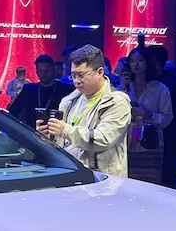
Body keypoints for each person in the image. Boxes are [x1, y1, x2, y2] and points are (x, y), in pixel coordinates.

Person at [37, 45, 132, 176]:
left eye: (81, 75)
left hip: (104, 179)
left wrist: (65, 130)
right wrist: (48, 135)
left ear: (99, 72)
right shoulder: (68, 101)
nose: (76, 81)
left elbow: (103, 139)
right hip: (70, 174)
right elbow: (62, 143)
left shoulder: (117, 101)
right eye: (73, 75)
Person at [120, 46, 173, 185]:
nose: (136, 64)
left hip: (149, 141)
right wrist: (123, 87)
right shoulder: (124, 87)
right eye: (132, 61)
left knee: (148, 182)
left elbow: (167, 118)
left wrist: (148, 115)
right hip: (126, 141)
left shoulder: (160, 89)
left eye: (140, 60)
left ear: (148, 62)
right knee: (126, 181)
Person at [147, 44, 176, 189]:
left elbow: (172, 115)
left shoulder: (166, 84)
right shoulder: (169, 80)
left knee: (165, 179)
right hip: (165, 136)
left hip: (167, 136)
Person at [8, 54, 75, 125]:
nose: (44, 74)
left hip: (58, 130)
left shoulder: (66, 90)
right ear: (36, 72)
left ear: (53, 70)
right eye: (40, 71)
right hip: (32, 131)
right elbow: (13, 111)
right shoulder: (29, 90)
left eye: (47, 70)